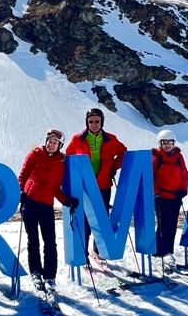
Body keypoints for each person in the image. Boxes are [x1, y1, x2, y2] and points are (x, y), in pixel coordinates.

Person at [17, 129, 79, 293]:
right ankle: (35, 271)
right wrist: (21, 192)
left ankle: (50, 276)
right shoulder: (34, 154)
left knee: (50, 242)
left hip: (46, 205)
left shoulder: (60, 162)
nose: (51, 145)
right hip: (30, 203)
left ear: (60, 145)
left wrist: (66, 201)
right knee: (33, 241)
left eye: (55, 143)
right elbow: (22, 177)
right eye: (49, 141)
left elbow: (56, 188)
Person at [64, 108, 127, 258]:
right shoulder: (77, 139)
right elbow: (68, 158)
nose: (94, 124)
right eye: (91, 121)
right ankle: (83, 252)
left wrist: (114, 166)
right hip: (84, 187)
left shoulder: (111, 139)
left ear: (101, 122)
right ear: (87, 122)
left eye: (97, 121)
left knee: (102, 218)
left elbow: (123, 151)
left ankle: (99, 249)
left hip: (104, 185)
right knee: (85, 219)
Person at [151, 129, 188, 258]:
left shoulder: (179, 157)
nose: (168, 145)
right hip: (161, 198)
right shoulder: (156, 157)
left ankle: (168, 252)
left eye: (170, 142)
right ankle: (158, 252)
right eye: (165, 142)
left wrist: (183, 190)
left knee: (172, 225)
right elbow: (151, 177)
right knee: (163, 225)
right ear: (160, 143)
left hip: (175, 197)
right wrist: (155, 194)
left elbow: (184, 174)